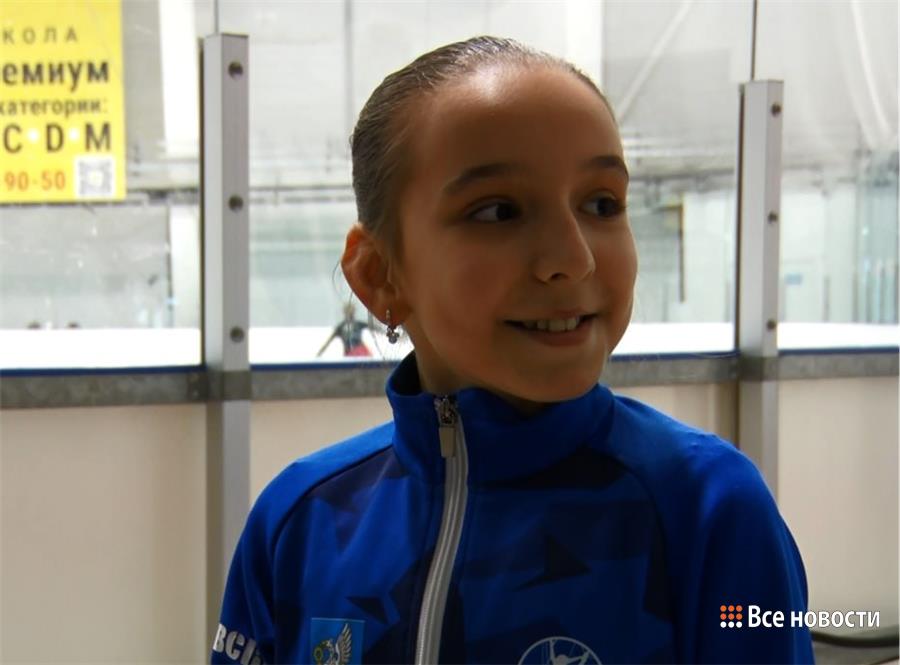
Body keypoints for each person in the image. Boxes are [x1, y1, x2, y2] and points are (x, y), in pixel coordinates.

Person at [211, 36, 814, 665]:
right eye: (499, 212)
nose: (573, 257)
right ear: (381, 275)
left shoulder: (707, 509)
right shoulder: (299, 521)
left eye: (602, 203)